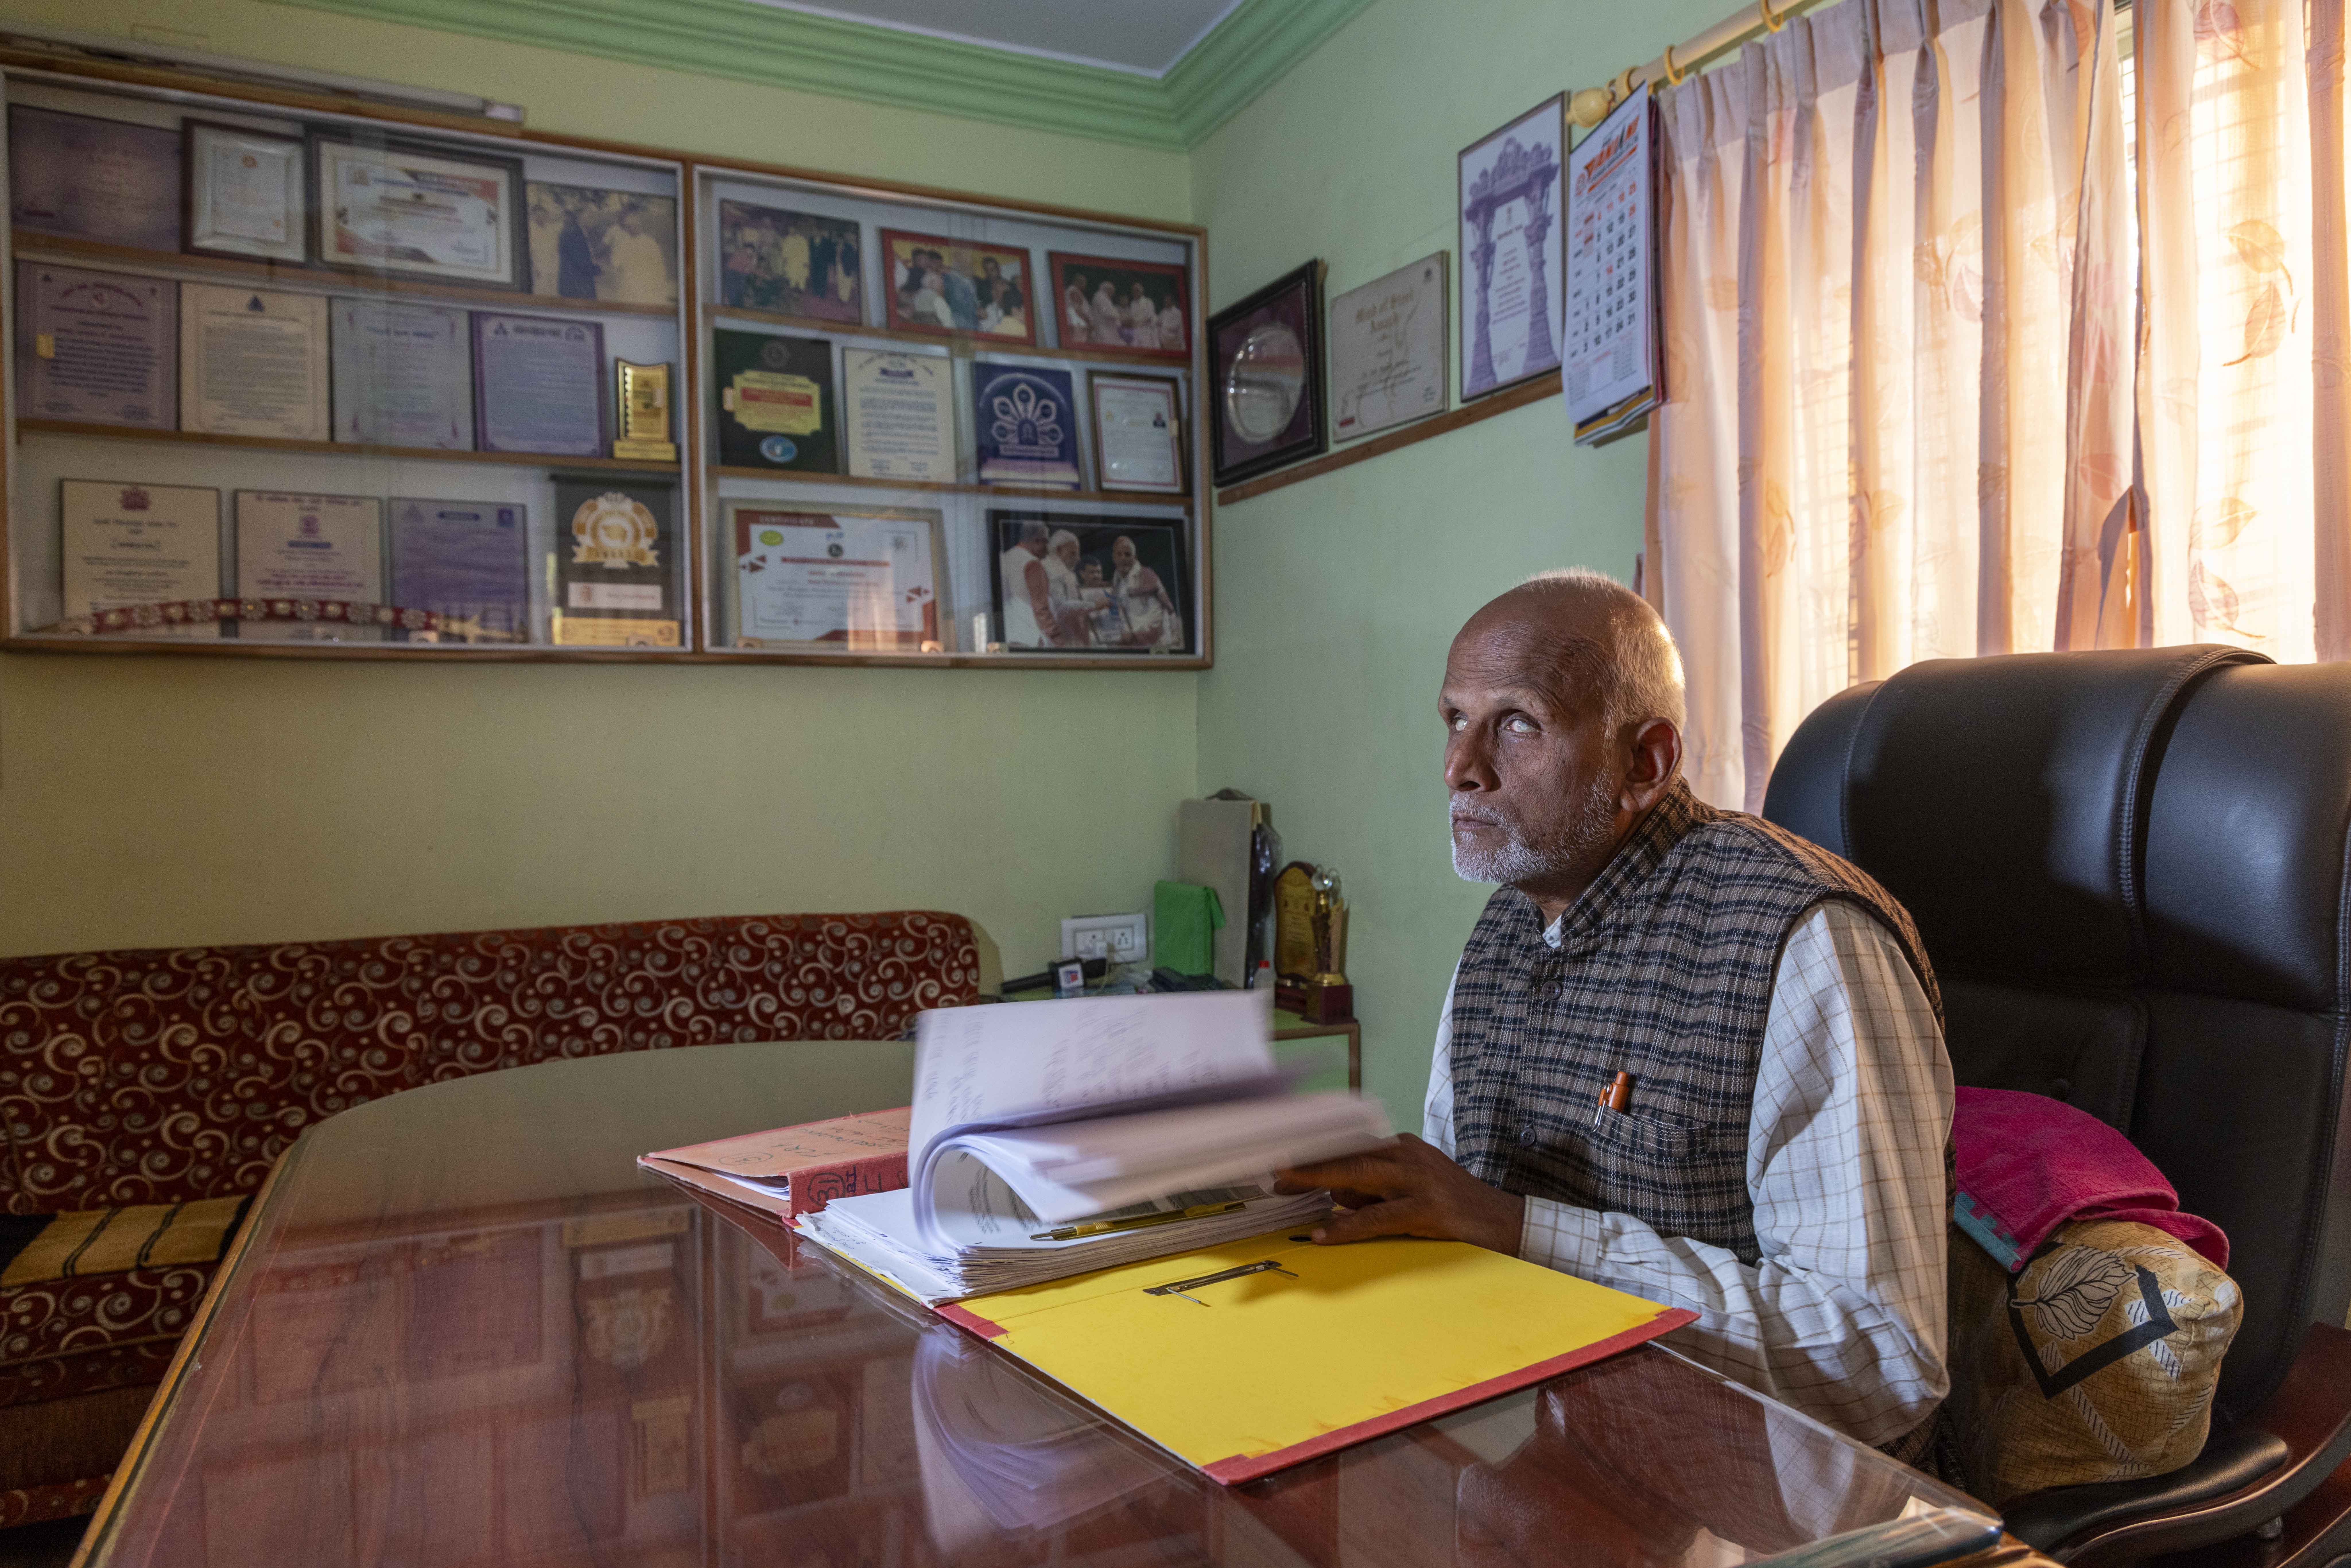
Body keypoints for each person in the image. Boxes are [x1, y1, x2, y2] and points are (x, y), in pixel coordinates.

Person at [1275, 569, 1953, 1457]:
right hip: (1535, 1445)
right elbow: (1455, 1214)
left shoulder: (1804, 937)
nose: (1459, 768)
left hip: (1757, 1501)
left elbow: (1880, 1361)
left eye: (1516, 723)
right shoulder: (1500, 935)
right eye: (1454, 720)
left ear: (1645, 764)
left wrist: (1519, 1230)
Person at [1108, 535, 1177, 649]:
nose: (1123, 558)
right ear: (1113, 557)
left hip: (1153, 644)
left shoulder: (1148, 576)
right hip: (1128, 641)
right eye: (1119, 554)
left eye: (1128, 554)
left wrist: (1134, 635)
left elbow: (1159, 615)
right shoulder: (1117, 579)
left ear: (1135, 557)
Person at [601, 202, 670, 305]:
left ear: (639, 225)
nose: (630, 229)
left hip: (646, 292)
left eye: (633, 226)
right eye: (628, 227)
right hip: (627, 291)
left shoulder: (650, 244)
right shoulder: (625, 244)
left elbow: (660, 269)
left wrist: (654, 288)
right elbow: (616, 264)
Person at [997, 522, 1054, 647]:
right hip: (1032, 637)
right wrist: (1058, 641)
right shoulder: (1032, 563)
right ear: (1038, 540)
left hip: (1011, 634)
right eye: (1047, 543)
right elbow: (1041, 608)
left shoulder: (1005, 558)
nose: (1048, 548)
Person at [555, 192, 598, 300]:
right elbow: (581, 263)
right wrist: (599, 269)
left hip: (574, 287)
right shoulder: (573, 233)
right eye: (591, 215)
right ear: (580, 216)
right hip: (577, 289)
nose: (594, 219)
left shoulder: (576, 231)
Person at [1125, 282, 1161, 351]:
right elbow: (1132, 317)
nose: (1135, 293)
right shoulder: (1133, 303)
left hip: (1147, 331)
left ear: (1141, 292)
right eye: (1134, 291)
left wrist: (1134, 321)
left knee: (1147, 351)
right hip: (1136, 331)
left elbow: (1148, 317)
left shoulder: (1148, 302)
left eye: (1137, 291)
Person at [1064, 274, 1093, 344]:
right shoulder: (1074, 291)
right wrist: (1088, 321)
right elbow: (1077, 309)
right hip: (1078, 323)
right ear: (1076, 282)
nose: (1085, 285)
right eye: (1083, 282)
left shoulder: (1075, 291)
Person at [1156, 285, 1185, 354]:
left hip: (1175, 343)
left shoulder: (1178, 313)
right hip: (1164, 343)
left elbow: (1177, 328)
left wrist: (1164, 326)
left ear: (1172, 301)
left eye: (1168, 300)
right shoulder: (1163, 312)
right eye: (1165, 300)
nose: (1166, 302)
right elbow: (1158, 324)